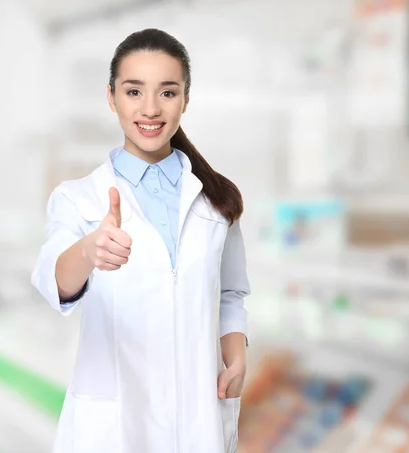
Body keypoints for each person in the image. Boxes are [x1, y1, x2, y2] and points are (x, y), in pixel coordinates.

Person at [31, 28, 251, 453]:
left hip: (197, 419)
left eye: (167, 93)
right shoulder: (80, 198)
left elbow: (231, 293)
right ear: (112, 98)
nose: (150, 109)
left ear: (186, 98)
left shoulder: (215, 199)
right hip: (115, 426)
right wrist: (89, 250)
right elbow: (55, 280)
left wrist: (236, 355)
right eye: (134, 91)